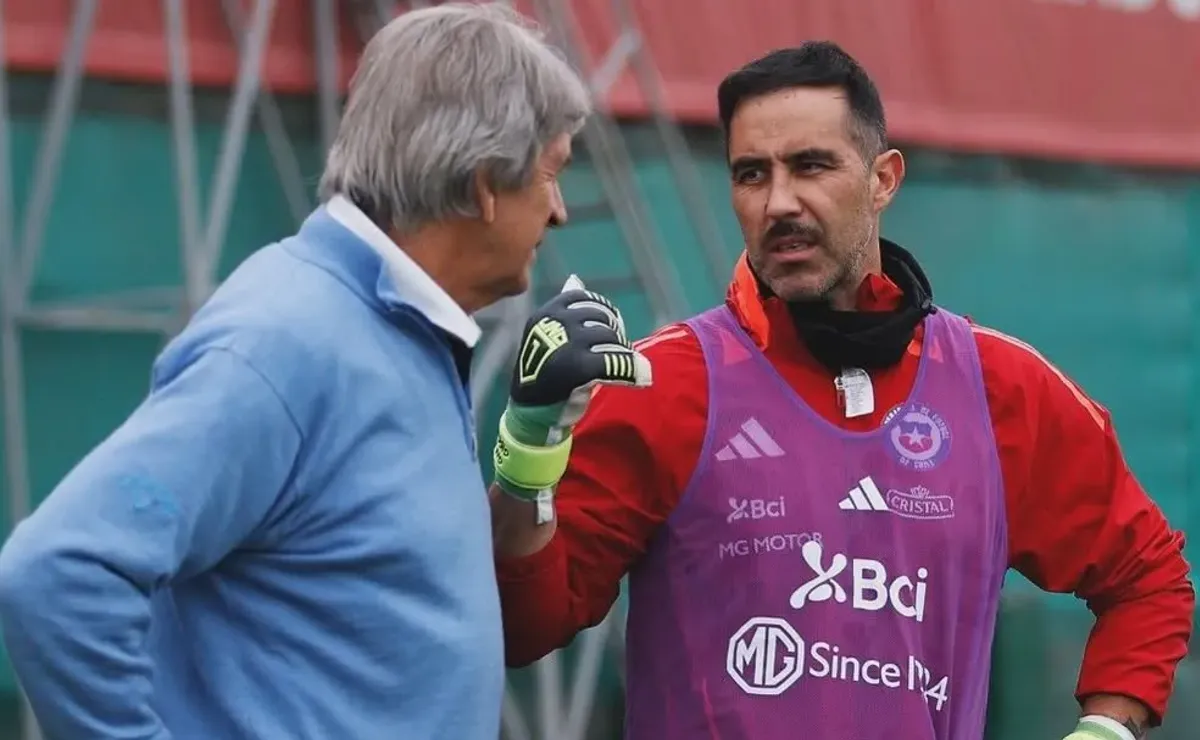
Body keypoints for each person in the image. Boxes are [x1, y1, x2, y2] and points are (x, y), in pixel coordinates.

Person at [489, 42, 1195, 740]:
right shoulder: (667, 383)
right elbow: (520, 627)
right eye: (751, 174)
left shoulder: (999, 386)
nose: (779, 203)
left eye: (811, 166)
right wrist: (526, 446)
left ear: (884, 178)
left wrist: (1108, 729)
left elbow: (1149, 578)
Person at [0, 4, 624, 738]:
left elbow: (383, 590)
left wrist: (529, 451)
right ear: (486, 182)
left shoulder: (389, 327)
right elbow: (56, 577)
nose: (557, 212)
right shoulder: (286, 342)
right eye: (552, 173)